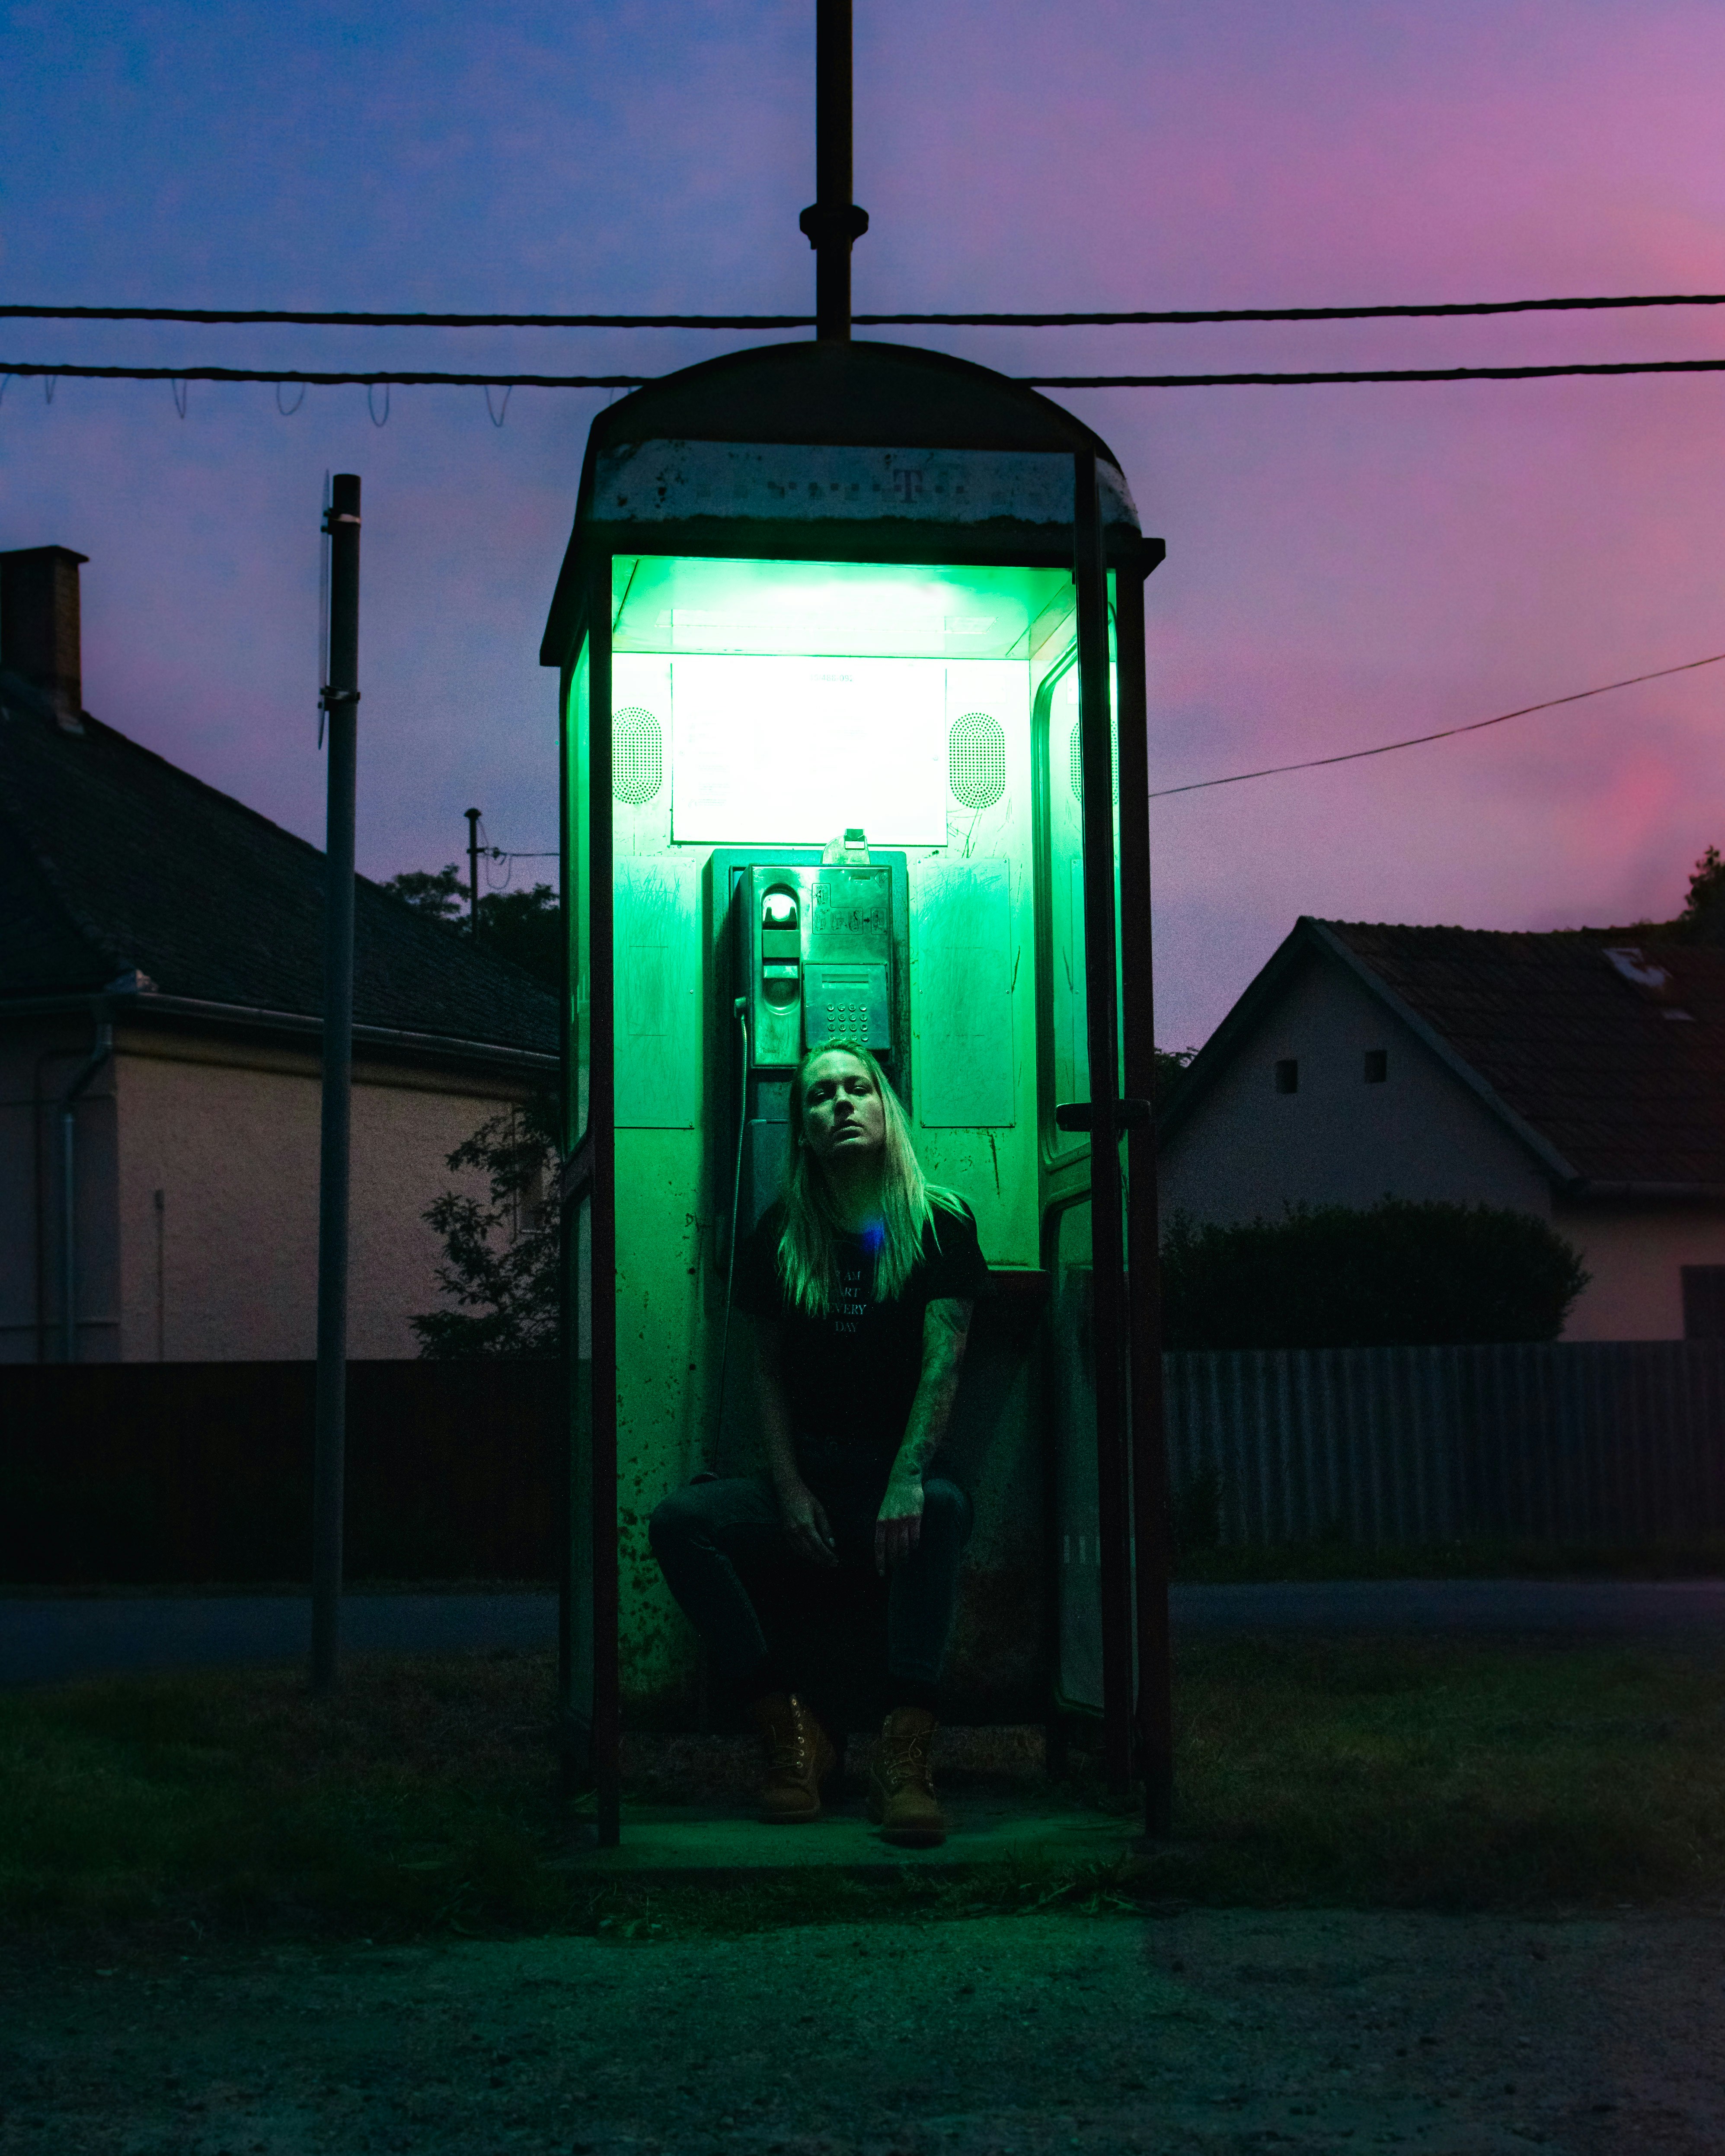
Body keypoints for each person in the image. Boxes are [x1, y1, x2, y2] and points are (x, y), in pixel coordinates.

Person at [648, 1040, 988, 1846]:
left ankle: (903, 1755)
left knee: (940, 1509)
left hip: (891, 1471)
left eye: (856, 1089)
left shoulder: (939, 1220)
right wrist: (790, 1487)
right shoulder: (781, 1232)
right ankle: (790, 1730)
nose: (839, 1103)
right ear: (799, 1127)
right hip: (812, 1471)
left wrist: (907, 1477)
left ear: (886, 1109)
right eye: (818, 1096)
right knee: (680, 1524)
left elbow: (945, 1363)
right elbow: (765, 1373)